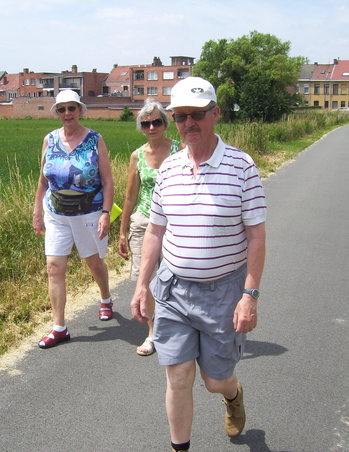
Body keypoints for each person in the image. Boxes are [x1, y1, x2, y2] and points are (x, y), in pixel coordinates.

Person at [130, 77, 267, 451]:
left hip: (224, 292)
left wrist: (249, 295)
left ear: (215, 114)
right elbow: (155, 231)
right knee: (177, 377)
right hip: (173, 289)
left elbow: (256, 236)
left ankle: (232, 393)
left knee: (213, 379)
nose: (188, 123)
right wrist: (143, 285)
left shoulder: (242, 167)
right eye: (180, 116)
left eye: (197, 115)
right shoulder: (169, 169)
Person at [33, 90, 115, 349]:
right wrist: (37, 211)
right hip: (56, 213)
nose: (67, 113)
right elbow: (43, 179)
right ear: (57, 112)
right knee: (54, 268)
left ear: (80, 110)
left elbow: (107, 180)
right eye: (61, 109)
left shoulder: (94, 139)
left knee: (93, 263)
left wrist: (105, 213)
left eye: (71, 108)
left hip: (89, 212)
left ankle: (105, 298)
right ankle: (59, 328)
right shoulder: (49, 139)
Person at [118, 98, 185, 356]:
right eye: (146, 123)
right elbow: (129, 196)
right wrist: (122, 231)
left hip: (174, 223)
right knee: (145, 281)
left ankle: (179, 327)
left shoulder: (180, 150)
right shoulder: (137, 155)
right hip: (144, 221)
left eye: (157, 122)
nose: (151, 127)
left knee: (176, 278)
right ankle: (152, 335)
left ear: (165, 124)